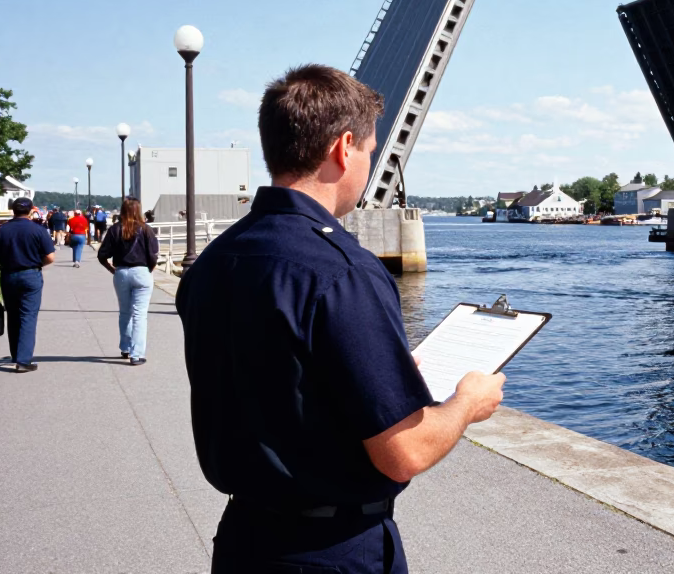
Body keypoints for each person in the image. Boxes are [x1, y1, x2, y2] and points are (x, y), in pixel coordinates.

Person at [177, 65, 504, 573]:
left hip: (244, 541)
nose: (368, 165)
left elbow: (279, 378)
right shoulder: (343, 271)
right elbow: (405, 452)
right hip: (331, 551)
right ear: (343, 147)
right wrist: (466, 403)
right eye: (370, 152)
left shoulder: (217, 261)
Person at [0, 197, 55, 372]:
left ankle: (16, 354)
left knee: (14, 316)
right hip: (31, 275)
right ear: (31, 210)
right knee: (28, 316)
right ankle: (23, 360)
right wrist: (36, 263)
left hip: (8, 275)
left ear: (13, 210)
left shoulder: (2, 231)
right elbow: (50, 257)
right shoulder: (38, 230)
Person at [98, 197, 159, 365]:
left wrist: (112, 269)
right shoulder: (146, 230)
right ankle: (136, 354)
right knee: (140, 315)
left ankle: (125, 347)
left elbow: (102, 255)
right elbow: (153, 255)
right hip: (141, 271)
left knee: (125, 312)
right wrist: (149, 269)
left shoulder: (115, 229)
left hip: (122, 272)